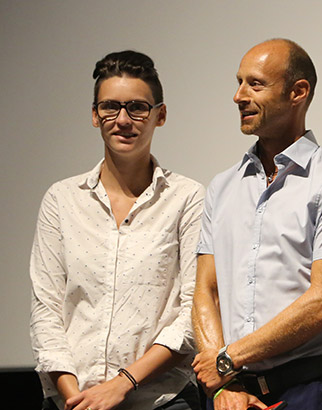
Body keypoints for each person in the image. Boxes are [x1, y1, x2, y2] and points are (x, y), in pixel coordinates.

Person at [191, 38, 322, 410]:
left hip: (305, 393)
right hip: (229, 396)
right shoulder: (222, 186)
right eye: (239, 82)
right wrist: (222, 386)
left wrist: (227, 360)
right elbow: (207, 290)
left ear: (298, 92)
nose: (238, 96)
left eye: (255, 84)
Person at [29, 50, 204, 410]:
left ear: (160, 115)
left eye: (137, 108)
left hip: (161, 401)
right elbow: (46, 310)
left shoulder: (187, 198)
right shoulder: (62, 199)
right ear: (95, 115)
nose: (123, 120)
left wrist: (123, 383)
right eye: (110, 107)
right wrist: (77, 399)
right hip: (72, 401)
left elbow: (193, 311)